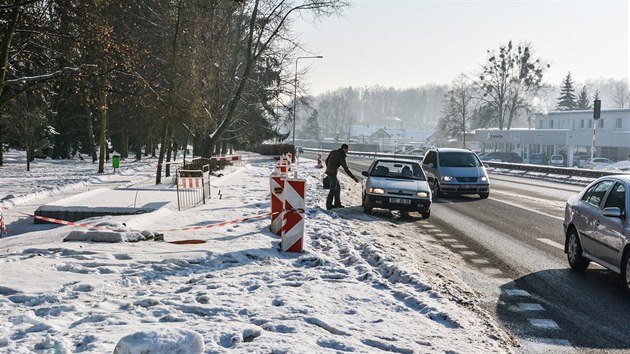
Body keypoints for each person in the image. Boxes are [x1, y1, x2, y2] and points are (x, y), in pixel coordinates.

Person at [325, 144, 359, 210]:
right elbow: (346, 169)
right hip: (332, 173)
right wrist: (353, 178)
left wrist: (329, 168)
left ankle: (337, 203)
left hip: (330, 172)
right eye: (347, 150)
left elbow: (326, 161)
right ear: (344, 148)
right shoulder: (341, 156)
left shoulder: (333, 152)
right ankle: (329, 205)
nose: (347, 151)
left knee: (337, 187)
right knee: (333, 188)